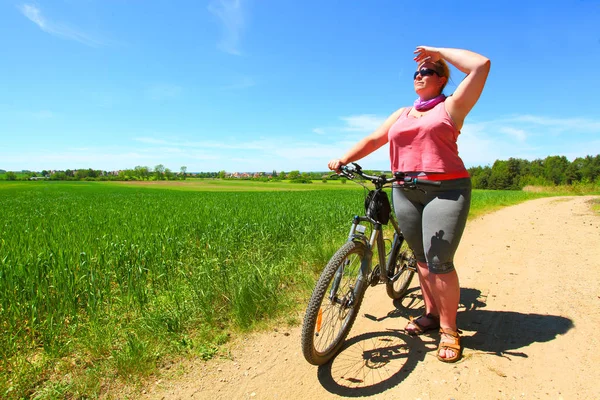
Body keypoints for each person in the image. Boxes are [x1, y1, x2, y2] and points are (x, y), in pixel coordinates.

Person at [328, 46, 490, 363]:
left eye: (427, 70)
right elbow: (375, 139)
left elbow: (481, 65)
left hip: (445, 189)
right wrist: (345, 157)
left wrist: (436, 51)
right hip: (404, 189)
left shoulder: (452, 107)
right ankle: (430, 314)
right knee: (420, 258)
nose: (419, 74)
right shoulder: (401, 114)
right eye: (416, 72)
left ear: (442, 78)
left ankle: (449, 329)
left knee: (439, 260)